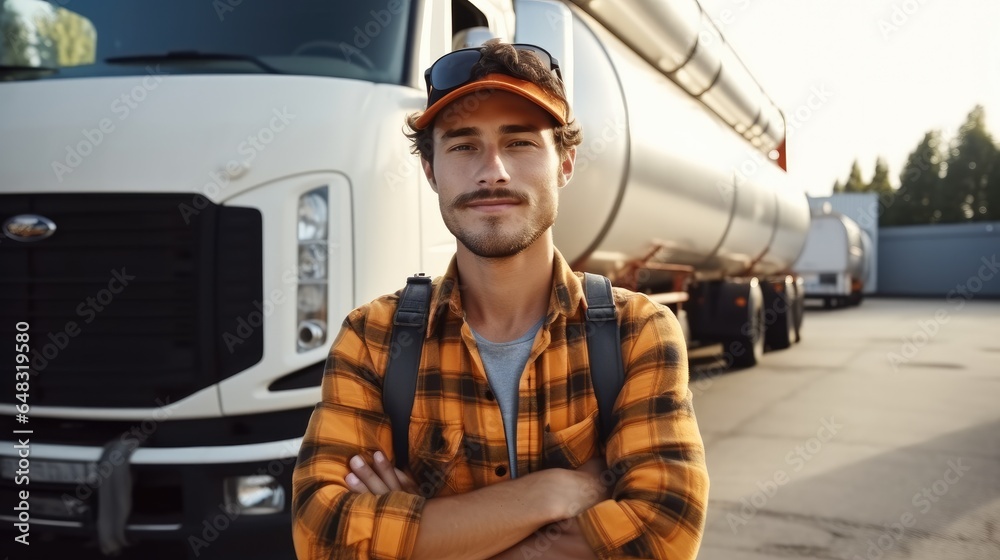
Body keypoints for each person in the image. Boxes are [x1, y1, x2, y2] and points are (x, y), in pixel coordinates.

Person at [292, 41, 709, 560]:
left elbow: (662, 533)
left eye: (519, 143)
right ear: (430, 172)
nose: (493, 171)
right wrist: (551, 493)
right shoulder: (373, 340)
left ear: (566, 163)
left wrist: (424, 535)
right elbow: (321, 535)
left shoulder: (636, 333)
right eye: (464, 146)